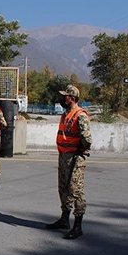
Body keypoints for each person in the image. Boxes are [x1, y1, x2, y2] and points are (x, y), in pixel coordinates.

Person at [46, 85, 92, 240]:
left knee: (76, 189)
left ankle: (78, 226)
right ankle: (64, 219)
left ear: (72, 98)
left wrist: (81, 150)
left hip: (75, 157)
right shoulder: (66, 114)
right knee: (63, 187)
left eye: (65, 96)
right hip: (64, 156)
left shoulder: (80, 115)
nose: (63, 98)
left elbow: (87, 139)